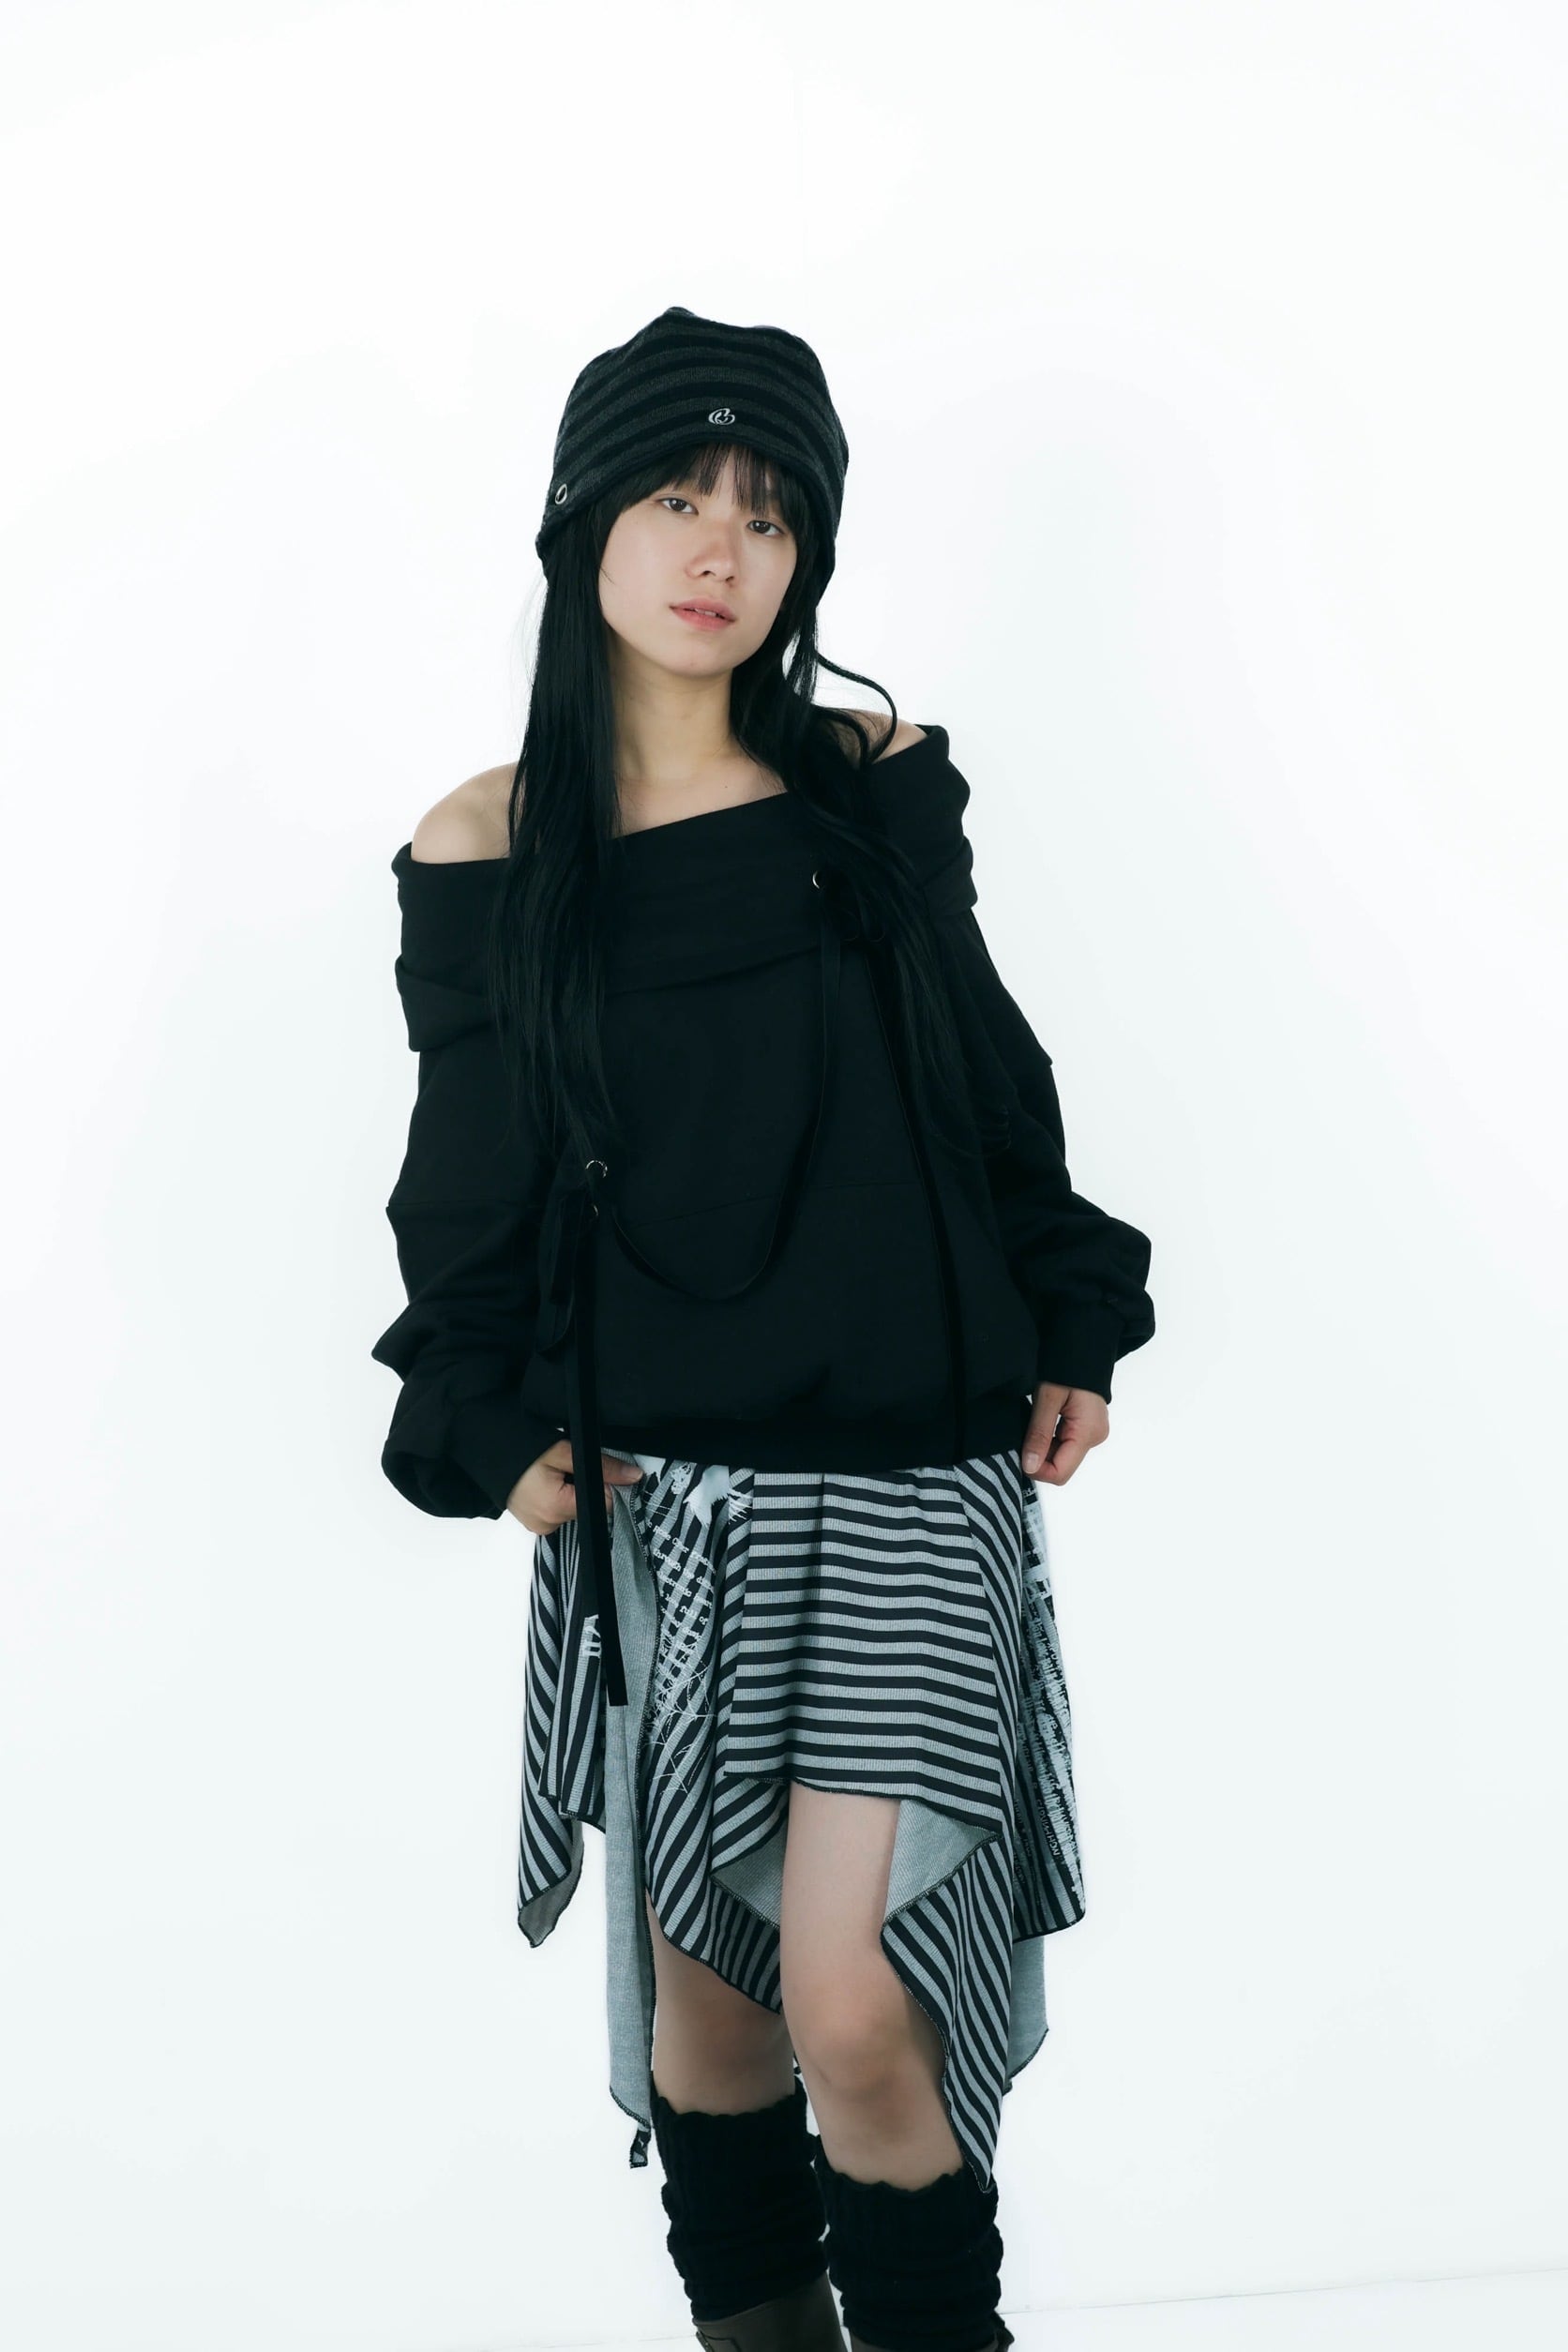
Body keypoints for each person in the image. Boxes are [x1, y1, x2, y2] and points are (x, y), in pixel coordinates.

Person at [369, 306, 1155, 2352]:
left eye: (771, 515)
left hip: (909, 1467)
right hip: (673, 1501)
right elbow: (466, 1190)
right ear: (582, 524)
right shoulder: (493, 845)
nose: (722, 549)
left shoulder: (865, 788)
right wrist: (488, 1424)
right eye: (675, 496)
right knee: (712, 2028)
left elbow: (986, 1077)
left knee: (854, 2001)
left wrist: (1073, 1307)